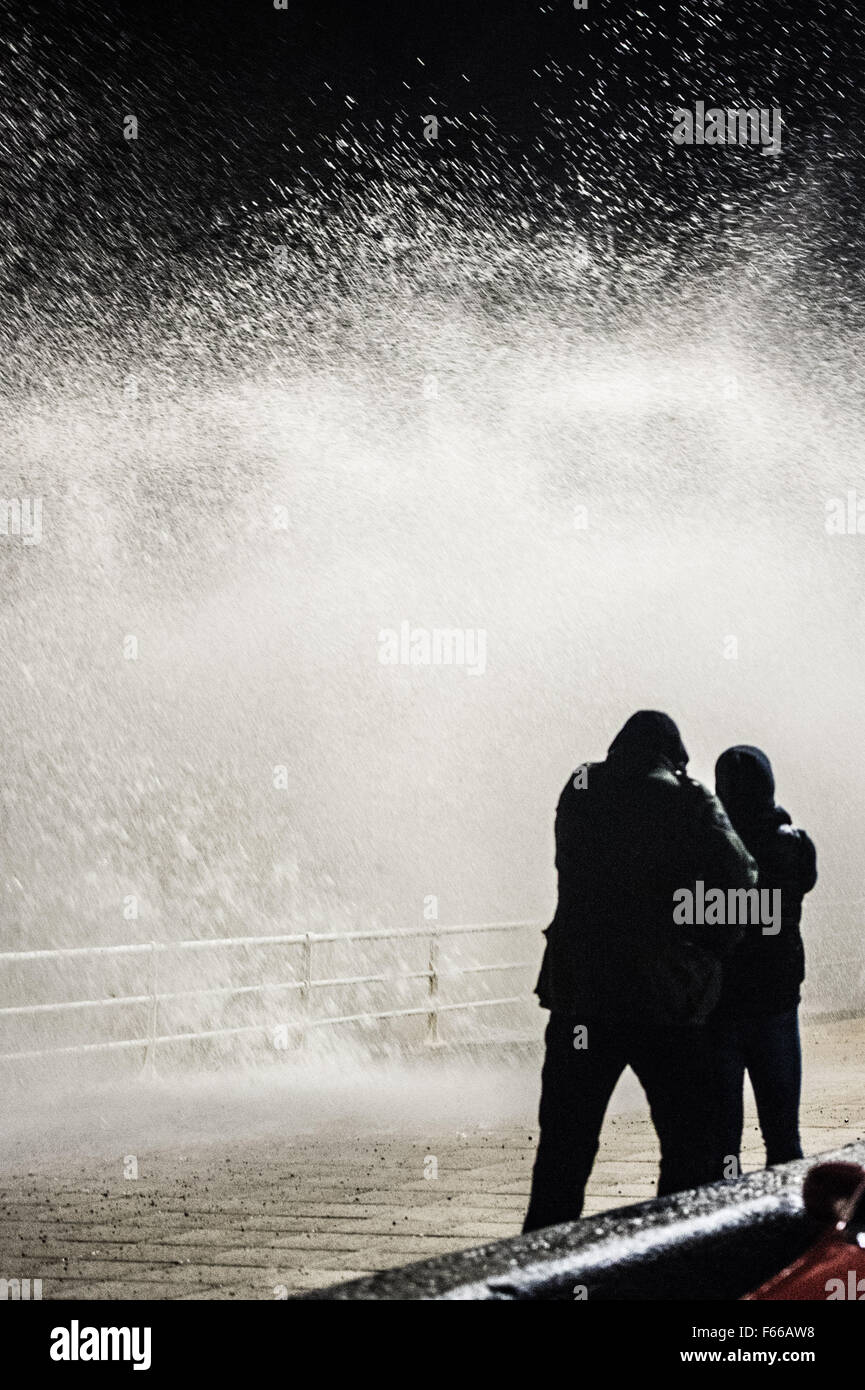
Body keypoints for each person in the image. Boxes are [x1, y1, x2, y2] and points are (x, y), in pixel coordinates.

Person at [523, 710, 757, 1234]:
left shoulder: (580, 788)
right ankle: (664, 1261)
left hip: (579, 998)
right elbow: (742, 882)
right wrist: (708, 951)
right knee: (685, 1146)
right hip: (664, 1001)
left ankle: (537, 1268)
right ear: (673, 754)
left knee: (564, 1149)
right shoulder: (688, 798)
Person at [711, 745, 817, 1171]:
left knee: (721, 1141)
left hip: (720, 1004)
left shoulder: (711, 844)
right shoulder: (792, 845)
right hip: (775, 998)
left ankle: (722, 1225)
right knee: (783, 1135)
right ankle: (794, 1226)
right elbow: (802, 883)